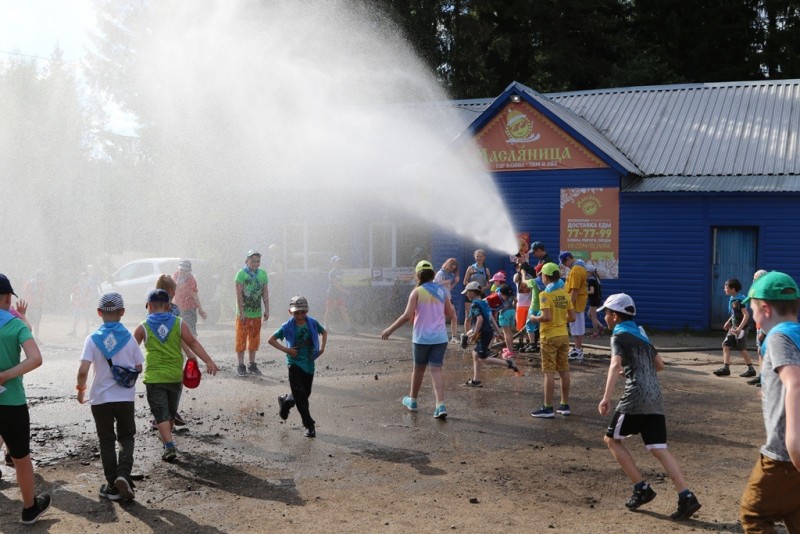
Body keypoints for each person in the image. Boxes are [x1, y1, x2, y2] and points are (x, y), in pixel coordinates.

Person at [597, 293, 702, 520]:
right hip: (655, 396)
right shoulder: (641, 334)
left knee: (612, 440)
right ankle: (686, 496)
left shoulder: (619, 336)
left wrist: (606, 397)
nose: (604, 317)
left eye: (606, 313)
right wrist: (634, 368)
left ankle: (641, 488)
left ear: (615, 316)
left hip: (636, 396)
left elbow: (614, 365)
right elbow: (660, 365)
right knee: (658, 448)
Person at [738, 271, 800, 531]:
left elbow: (795, 383)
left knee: (753, 514)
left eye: (752, 310)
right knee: (793, 511)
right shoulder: (796, 333)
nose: (752, 317)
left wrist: (794, 441)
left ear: (765, 308)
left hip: (784, 453)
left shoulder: (778, 337)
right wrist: (770, 392)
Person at [134, 289, 218, 462]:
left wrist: (133, 365)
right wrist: (208, 361)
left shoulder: (143, 326)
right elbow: (193, 343)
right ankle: (168, 441)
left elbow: (130, 350)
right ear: (168, 306)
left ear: (149, 306)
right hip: (174, 377)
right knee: (170, 413)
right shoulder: (179, 323)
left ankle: (169, 444)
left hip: (154, 378)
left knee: (160, 413)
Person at [76, 292, 144, 501]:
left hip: (100, 399)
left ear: (99, 313)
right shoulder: (130, 339)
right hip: (124, 398)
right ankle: (123, 474)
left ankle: (112, 485)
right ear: (122, 312)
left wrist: (81, 390)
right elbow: (139, 367)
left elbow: (83, 370)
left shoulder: (92, 339)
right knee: (126, 436)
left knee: (106, 440)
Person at [0, 274, 51, 524]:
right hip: (11, 403)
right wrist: (6, 375)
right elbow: (35, 358)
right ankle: (30, 509)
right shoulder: (16, 324)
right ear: (8, 298)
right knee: (21, 458)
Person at [382, 261, 455, 419]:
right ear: (433, 275)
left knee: (419, 369)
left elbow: (407, 315)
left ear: (418, 275)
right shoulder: (442, 291)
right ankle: (440, 405)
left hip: (421, 338)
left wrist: (390, 329)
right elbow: (450, 314)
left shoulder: (417, 292)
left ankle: (413, 401)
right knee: (436, 370)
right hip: (440, 338)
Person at [270, 296, 327, 438]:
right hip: (294, 363)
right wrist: (287, 350)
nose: (300, 316)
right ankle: (309, 425)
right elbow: (271, 340)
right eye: (297, 313)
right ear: (290, 312)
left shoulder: (312, 323)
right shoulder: (287, 326)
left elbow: (324, 332)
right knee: (301, 396)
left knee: (305, 393)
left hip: (308, 363)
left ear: (307, 311)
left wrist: (322, 348)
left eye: (303, 312)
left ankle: (286, 402)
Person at [529, 263, 575, 417]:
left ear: (546, 276)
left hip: (549, 336)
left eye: (542, 274)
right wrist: (560, 318)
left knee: (549, 372)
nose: (541, 277)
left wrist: (534, 318)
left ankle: (547, 407)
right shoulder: (564, 293)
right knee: (564, 371)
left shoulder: (544, 295)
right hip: (563, 335)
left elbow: (546, 317)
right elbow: (572, 317)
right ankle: (564, 405)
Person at [461, 282, 520, 387]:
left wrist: (474, 333)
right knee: (475, 354)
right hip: (487, 332)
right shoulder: (484, 303)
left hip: (483, 333)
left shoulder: (475, 304)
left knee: (483, 358)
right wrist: (498, 332)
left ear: (472, 293)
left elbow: (480, 319)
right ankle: (476, 380)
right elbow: (491, 318)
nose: (466, 295)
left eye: (467, 293)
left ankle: (508, 363)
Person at [235, 250, 270, 377]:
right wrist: (242, 312)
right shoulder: (241, 274)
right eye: (253, 261)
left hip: (256, 314)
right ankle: (240, 365)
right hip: (243, 314)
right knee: (241, 339)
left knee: (254, 339)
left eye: (258, 261)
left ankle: (252, 364)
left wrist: (267, 309)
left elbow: (265, 293)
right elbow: (238, 295)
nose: (255, 263)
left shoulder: (263, 274)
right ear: (246, 261)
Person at [713, 278, 756, 378]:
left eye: (726, 287)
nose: (724, 289)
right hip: (733, 328)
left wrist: (739, 329)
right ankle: (726, 368)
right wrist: (728, 322)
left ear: (733, 289)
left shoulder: (738, 301)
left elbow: (746, 315)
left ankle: (751, 369)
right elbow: (734, 313)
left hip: (741, 329)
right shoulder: (733, 299)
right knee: (726, 345)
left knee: (741, 349)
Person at [560, 251, 588, 362]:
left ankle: (578, 350)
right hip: (577, 302)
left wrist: (569, 305)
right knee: (576, 326)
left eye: (563, 262)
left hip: (575, 303)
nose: (564, 265)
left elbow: (575, 290)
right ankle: (577, 349)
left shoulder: (576, 270)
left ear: (568, 259)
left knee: (577, 326)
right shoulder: (579, 267)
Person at [323, 255, 356, 335]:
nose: (339, 263)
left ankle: (349, 327)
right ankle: (325, 327)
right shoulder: (332, 273)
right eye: (337, 262)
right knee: (329, 310)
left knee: (343, 310)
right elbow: (336, 285)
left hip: (339, 294)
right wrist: (346, 291)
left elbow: (342, 282)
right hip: (331, 294)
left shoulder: (341, 271)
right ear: (333, 263)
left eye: (339, 261)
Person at [173, 260, 207, 336]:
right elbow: (171, 290)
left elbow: (194, 296)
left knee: (191, 332)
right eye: (181, 269)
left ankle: (193, 345)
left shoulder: (191, 280)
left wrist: (200, 310)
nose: (182, 272)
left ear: (188, 271)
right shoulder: (175, 275)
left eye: (184, 270)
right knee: (177, 331)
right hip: (177, 308)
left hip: (189, 309)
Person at [747, 269, 769, 387]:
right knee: (760, 352)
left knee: (764, 352)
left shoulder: (764, 294)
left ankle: (765, 378)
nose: (753, 280)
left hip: (764, 327)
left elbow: (766, 312)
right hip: (759, 326)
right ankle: (761, 376)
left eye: (755, 278)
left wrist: (763, 332)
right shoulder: (759, 292)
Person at [462, 249, 491, 335]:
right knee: (468, 317)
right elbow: (465, 282)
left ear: (484, 257)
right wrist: (473, 287)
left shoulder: (486, 270)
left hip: (481, 295)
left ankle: (477, 334)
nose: (479, 258)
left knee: (480, 315)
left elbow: (489, 284)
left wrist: (483, 288)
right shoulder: (470, 268)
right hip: (470, 294)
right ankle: (466, 336)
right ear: (475, 257)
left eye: (480, 256)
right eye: (477, 256)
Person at [434, 258, 460, 343]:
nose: (452, 269)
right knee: (442, 317)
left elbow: (449, 289)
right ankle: (439, 336)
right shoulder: (440, 273)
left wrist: (455, 282)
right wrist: (445, 282)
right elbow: (434, 284)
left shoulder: (451, 275)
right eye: (451, 267)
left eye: (454, 268)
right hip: (440, 298)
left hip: (448, 297)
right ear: (448, 265)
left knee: (454, 317)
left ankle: (454, 337)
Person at [514, 261, 533, 351]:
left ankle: (528, 341)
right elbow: (516, 279)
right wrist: (520, 272)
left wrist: (524, 273)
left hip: (529, 305)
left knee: (528, 325)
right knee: (520, 326)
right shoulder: (517, 277)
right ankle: (521, 341)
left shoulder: (529, 277)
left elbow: (528, 283)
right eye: (518, 267)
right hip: (520, 305)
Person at [68, 271, 94, 337]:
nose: (82, 278)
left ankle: (87, 331)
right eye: (82, 277)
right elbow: (74, 293)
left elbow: (90, 296)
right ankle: (74, 331)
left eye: (84, 277)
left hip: (85, 304)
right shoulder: (78, 285)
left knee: (86, 318)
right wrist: (74, 300)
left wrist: (84, 300)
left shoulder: (88, 286)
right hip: (78, 304)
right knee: (76, 317)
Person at [21, 270, 46, 337]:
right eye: (41, 277)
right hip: (31, 306)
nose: (42, 279)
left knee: (37, 322)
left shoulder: (42, 285)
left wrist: (40, 302)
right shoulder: (30, 284)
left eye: (43, 278)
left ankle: (36, 338)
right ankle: (28, 337)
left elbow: (42, 295)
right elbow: (25, 294)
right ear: (37, 276)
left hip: (38, 306)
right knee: (31, 322)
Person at [497, 285, 517, 359]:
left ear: (502, 294)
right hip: (512, 312)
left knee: (506, 333)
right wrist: (513, 306)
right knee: (510, 332)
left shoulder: (500, 297)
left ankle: (510, 351)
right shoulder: (511, 296)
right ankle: (509, 347)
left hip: (505, 313)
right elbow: (516, 300)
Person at [587, 267, 605, 338]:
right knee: (589, 315)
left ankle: (595, 333)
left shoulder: (591, 280)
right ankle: (601, 326)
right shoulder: (596, 279)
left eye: (587, 272)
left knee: (593, 317)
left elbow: (592, 291)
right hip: (596, 299)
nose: (585, 273)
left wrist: (583, 292)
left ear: (590, 272)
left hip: (593, 300)